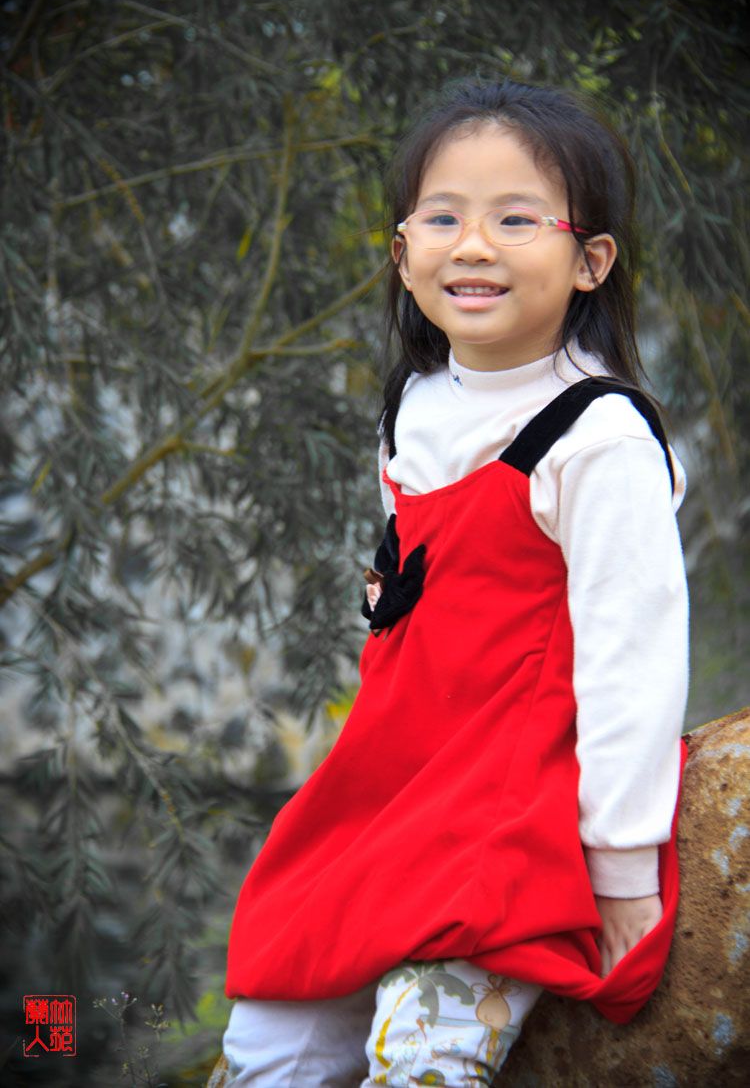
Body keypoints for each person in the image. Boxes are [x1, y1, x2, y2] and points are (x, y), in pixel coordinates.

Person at [221, 78, 689, 1086]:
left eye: (516, 219)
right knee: (268, 1044)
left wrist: (622, 868)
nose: (472, 246)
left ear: (591, 260)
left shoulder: (599, 438)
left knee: (422, 1053)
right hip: (390, 785)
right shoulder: (413, 403)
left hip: (510, 802)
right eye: (442, 218)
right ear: (401, 253)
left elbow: (634, 660)